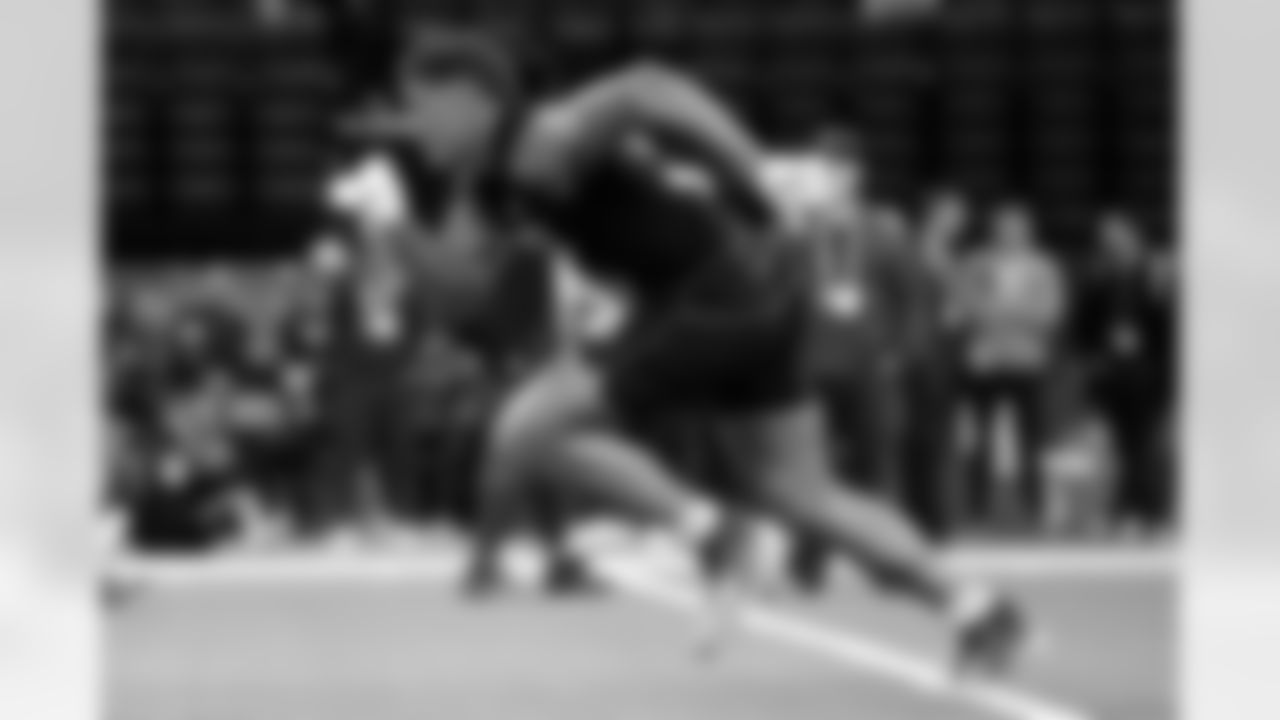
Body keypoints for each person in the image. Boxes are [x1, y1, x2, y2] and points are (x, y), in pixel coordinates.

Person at [389, 26, 1027, 673]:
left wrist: (755, 169)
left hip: (708, 294)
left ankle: (712, 531)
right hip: (748, 295)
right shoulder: (488, 186)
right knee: (799, 491)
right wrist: (388, 226)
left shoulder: (545, 136)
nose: (412, 129)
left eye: (417, 107)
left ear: (469, 98)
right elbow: (461, 295)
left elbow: (649, 87)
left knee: (527, 430)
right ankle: (975, 607)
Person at [954, 204, 1068, 533]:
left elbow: (1050, 314)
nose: (1009, 234)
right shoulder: (975, 263)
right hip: (984, 361)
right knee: (980, 439)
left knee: (1031, 438)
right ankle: (975, 511)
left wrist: (1001, 313)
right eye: (1004, 228)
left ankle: (1034, 509)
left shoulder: (1044, 267)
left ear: (1028, 232)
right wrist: (1010, 314)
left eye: (1016, 228)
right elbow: (965, 308)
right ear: (994, 231)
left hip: (1026, 362)